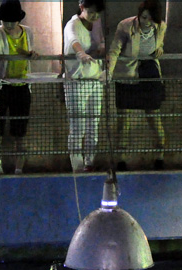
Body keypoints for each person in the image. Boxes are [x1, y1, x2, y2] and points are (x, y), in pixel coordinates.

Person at [0, 0, 38, 174]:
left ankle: (19, 170)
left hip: (21, 86)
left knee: (20, 132)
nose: (9, 24)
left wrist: (30, 54)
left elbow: (25, 51)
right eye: (6, 21)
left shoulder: (28, 33)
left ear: (19, 19)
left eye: (13, 21)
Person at [107, 0, 167, 170]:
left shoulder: (161, 27)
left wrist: (160, 48)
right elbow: (114, 50)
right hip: (128, 74)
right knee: (123, 119)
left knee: (154, 116)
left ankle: (160, 156)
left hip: (150, 73)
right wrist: (109, 72)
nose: (145, 22)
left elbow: (159, 44)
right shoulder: (125, 26)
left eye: (149, 19)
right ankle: (121, 159)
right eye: (143, 17)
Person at [63, 0, 106, 172]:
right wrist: (81, 53)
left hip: (95, 80)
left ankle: (89, 162)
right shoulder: (72, 24)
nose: (95, 16)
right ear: (82, 8)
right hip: (77, 82)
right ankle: (77, 166)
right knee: (77, 127)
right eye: (91, 12)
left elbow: (102, 44)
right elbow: (73, 40)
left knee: (93, 125)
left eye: (97, 13)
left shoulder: (97, 24)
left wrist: (102, 52)